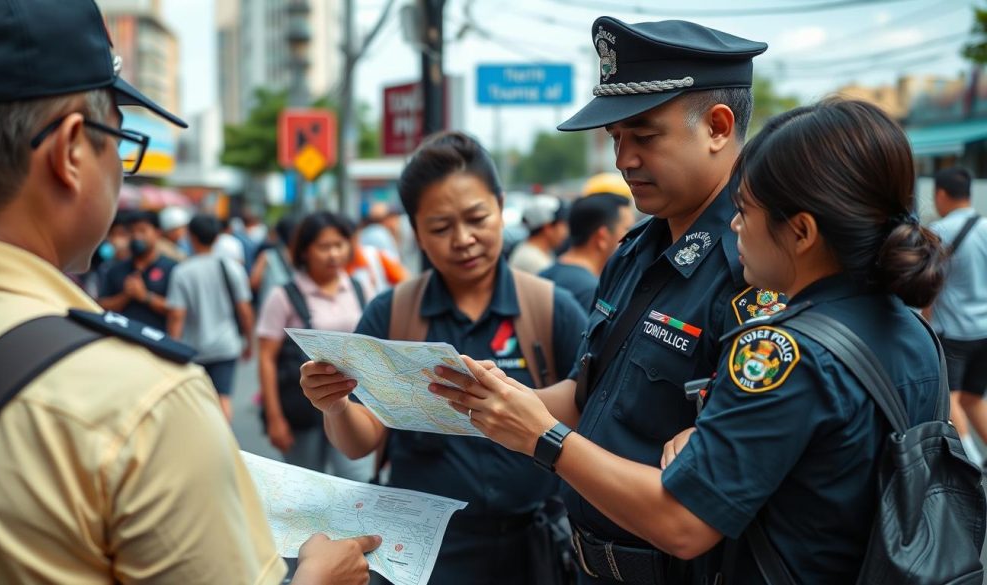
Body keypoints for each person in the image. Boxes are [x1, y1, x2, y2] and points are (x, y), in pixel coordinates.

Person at [433, 99, 950, 584]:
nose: (736, 225)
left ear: (801, 232)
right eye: (615, 138)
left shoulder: (781, 353)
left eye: (747, 210)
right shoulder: (913, 331)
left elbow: (684, 521)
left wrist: (543, 437)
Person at [0, 0, 378, 582]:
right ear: (71, 150)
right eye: (118, 140)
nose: (120, 167)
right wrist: (318, 577)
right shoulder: (141, 400)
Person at [366, 16, 773, 584]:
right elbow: (591, 395)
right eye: (616, 138)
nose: (623, 159)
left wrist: (543, 437)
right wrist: (498, 399)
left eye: (644, 136)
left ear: (718, 127)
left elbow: (696, 512)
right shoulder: (636, 252)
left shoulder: (757, 267)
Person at [301, 131, 588, 585]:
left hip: (534, 548)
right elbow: (360, 442)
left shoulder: (553, 309)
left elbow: (591, 415)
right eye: (440, 228)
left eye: (477, 218)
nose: (464, 239)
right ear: (416, 231)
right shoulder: (392, 314)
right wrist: (335, 405)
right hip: (425, 555)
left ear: (500, 207)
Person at [257, 211, 375, 482]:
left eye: (339, 245)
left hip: (355, 405)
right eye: (324, 246)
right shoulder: (283, 296)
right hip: (302, 411)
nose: (333, 254)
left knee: (358, 484)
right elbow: (266, 358)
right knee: (307, 484)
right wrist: (274, 418)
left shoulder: (360, 288)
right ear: (304, 251)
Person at [167, 214, 255, 421]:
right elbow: (245, 311)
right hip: (226, 345)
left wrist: (171, 351)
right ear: (217, 237)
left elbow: (177, 316)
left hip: (193, 348)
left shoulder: (182, 272)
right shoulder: (232, 267)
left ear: (191, 236)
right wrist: (249, 342)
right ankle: (225, 438)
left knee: (196, 403)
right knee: (223, 399)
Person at [927, 166, 987, 464]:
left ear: (940, 194)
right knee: (973, 398)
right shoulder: (986, 227)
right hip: (984, 330)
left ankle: (972, 463)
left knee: (949, 398)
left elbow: (928, 285)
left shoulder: (939, 232)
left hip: (953, 332)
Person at [540, 193, 635, 313]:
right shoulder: (592, 291)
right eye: (627, 229)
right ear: (602, 237)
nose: (634, 237)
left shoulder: (545, 274)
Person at [98, 210, 177, 331]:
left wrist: (145, 296)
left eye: (142, 230)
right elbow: (100, 305)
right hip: (120, 336)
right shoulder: (115, 269)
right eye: (132, 231)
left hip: (155, 339)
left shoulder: (173, 269)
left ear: (157, 233)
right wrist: (125, 296)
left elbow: (177, 310)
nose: (136, 236)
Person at [509, 195, 569, 274]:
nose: (566, 232)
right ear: (548, 228)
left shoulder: (541, 252)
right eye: (563, 225)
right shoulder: (531, 259)